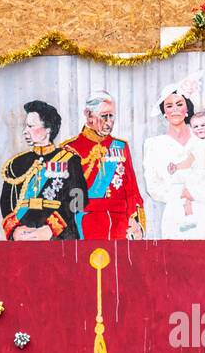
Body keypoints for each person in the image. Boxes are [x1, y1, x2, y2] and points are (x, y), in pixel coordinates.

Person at [143, 93, 205, 239]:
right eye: (169, 106)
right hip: (175, 214)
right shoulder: (154, 144)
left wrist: (198, 193)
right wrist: (178, 195)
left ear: (187, 109)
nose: (175, 110)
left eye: (179, 104)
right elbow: (153, 186)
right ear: (164, 112)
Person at [60, 90, 146, 240]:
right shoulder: (70, 148)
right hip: (85, 222)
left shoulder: (120, 146)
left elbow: (131, 189)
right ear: (88, 115)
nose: (109, 122)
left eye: (111, 116)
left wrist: (135, 221)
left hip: (120, 223)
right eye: (103, 116)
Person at [0, 100, 88, 240]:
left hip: (60, 235)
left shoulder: (69, 160)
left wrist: (51, 228)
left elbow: (79, 199)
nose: (25, 131)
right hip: (23, 234)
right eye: (25, 126)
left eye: (30, 126)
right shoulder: (17, 164)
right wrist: (15, 230)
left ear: (48, 129)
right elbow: (6, 201)